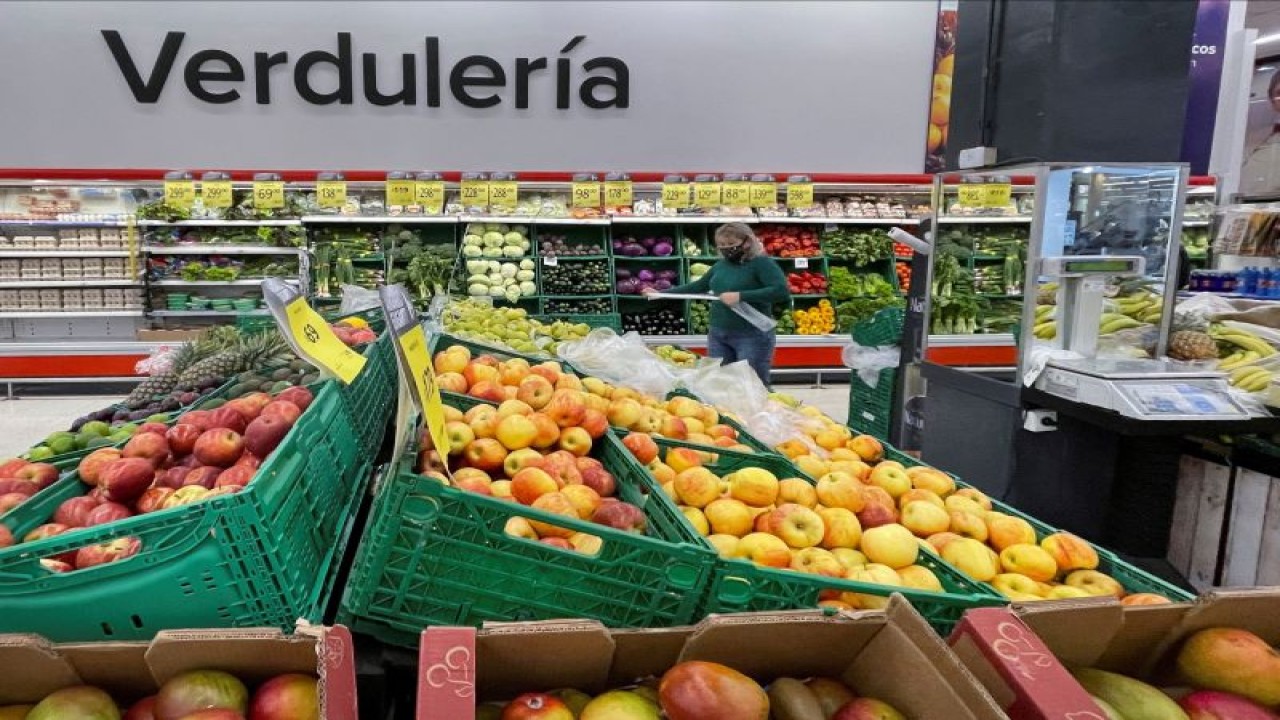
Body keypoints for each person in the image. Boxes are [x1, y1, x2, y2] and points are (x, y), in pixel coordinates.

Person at [647, 222, 789, 385]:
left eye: (731, 243)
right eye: (721, 244)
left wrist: (741, 296)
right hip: (719, 333)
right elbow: (699, 286)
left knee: (752, 383)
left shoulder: (762, 264)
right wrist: (661, 294)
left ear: (747, 241)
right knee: (719, 382)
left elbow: (780, 291)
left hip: (752, 334)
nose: (726, 248)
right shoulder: (721, 265)